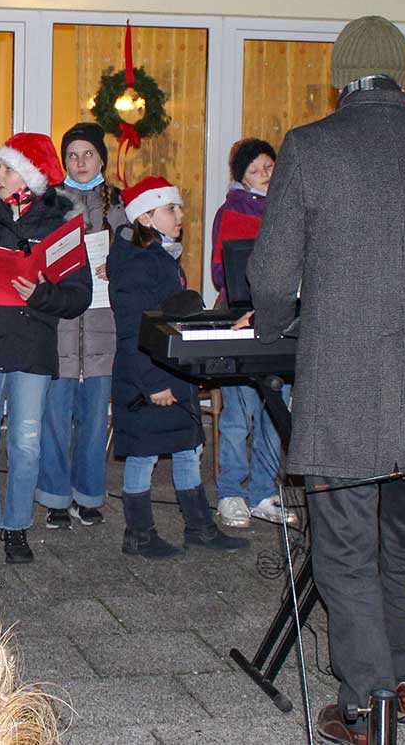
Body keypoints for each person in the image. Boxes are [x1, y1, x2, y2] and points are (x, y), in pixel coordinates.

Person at [245, 15, 405, 744]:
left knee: (344, 543)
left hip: (345, 377)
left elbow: (272, 271)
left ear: (342, 77)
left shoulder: (312, 146)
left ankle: (367, 701)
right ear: (400, 75)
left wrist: (269, 329)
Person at [0, 133, 91, 564]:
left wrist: (40, 293)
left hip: (31, 348)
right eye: (1, 168)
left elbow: (78, 295)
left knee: (26, 443)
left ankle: (17, 527)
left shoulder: (60, 228)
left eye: (7, 169)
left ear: (29, 177)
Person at [109, 176, 248, 559]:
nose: (181, 215)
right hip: (148, 377)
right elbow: (131, 331)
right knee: (143, 454)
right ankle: (138, 533)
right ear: (147, 218)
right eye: (171, 209)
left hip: (173, 370)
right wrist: (153, 383)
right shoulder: (139, 266)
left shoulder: (162, 258)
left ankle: (199, 527)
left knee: (188, 447)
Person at [36, 122, 124, 530]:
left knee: (93, 422)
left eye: (88, 154)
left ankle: (88, 496)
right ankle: (55, 496)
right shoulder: (50, 202)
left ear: (102, 158)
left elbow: (138, 252)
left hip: (103, 326)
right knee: (55, 417)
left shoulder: (120, 202)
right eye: (72, 155)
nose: (81, 161)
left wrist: (116, 266)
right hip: (61, 328)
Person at [209, 138, 295, 528]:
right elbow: (219, 271)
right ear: (241, 178)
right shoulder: (232, 211)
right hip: (241, 319)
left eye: (269, 167)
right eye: (255, 171)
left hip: (282, 320)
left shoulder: (293, 207)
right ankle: (231, 491)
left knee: (273, 411)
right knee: (237, 414)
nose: (264, 176)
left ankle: (263, 491)